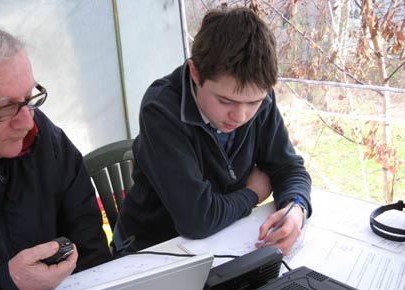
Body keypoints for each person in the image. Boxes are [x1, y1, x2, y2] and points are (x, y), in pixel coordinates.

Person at [0, 21, 112, 290]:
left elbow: (89, 236)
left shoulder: (47, 141)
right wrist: (3, 282)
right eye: (5, 107)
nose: (27, 121)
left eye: (29, 97)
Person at [115, 7, 312, 254]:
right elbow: (196, 218)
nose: (240, 116)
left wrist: (296, 208)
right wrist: (252, 193)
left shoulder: (261, 97)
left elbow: (287, 167)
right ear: (195, 73)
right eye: (225, 101)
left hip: (223, 237)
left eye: (253, 103)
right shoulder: (161, 109)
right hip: (153, 247)